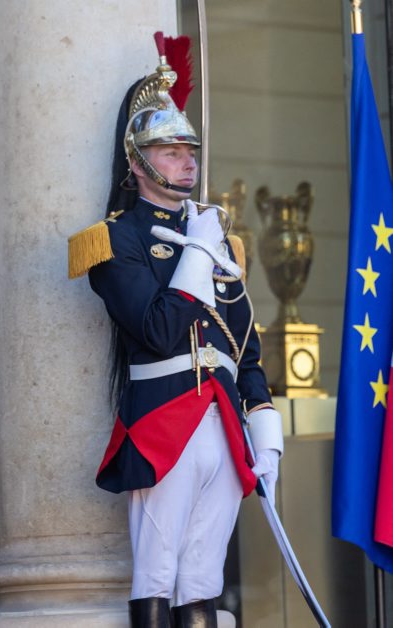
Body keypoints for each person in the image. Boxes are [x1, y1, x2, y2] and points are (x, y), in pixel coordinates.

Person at [70, 35, 283, 628]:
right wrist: (198, 250)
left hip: (225, 422)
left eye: (190, 150)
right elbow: (160, 330)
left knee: (203, 582)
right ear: (137, 163)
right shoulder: (115, 240)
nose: (188, 162)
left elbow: (244, 351)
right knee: (157, 576)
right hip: (163, 420)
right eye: (170, 152)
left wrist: (266, 435)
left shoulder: (219, 241)